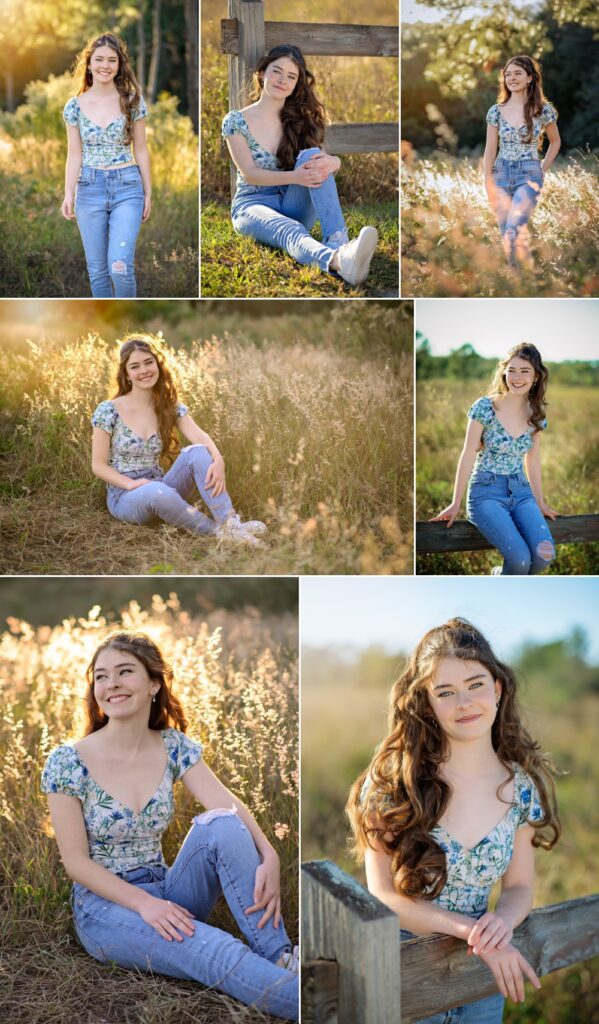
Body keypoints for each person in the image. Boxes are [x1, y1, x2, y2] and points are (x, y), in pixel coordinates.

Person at [41, 631, 298, 1020]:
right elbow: (76, 863)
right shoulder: (67, 761)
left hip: (168, 888)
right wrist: (145, 905)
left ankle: (281, 957)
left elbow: (226, 805)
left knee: (222, 825)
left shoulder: (173, 745)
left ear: (154, 684)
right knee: (219, 949)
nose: (111, 685)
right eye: (101, 676)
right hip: (106, 908)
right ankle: (320, 1003)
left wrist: (270, 854)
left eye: (125, 672)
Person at [347, 618, 560, 1024]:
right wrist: (473, 932)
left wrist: (500, 924)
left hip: (479, 979)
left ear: (497, 689)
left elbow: (519, 886)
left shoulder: (521, 787)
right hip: (405, 972)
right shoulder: (394, 783)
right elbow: (385, 897)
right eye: (446, 692)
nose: (464, 703)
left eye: (476, 684)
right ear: (427, 704)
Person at [222, 44, 379, 287]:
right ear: (261, 73)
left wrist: (333, 161)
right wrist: (295, 177)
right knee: (290, 228)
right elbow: (250, 174)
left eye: (291, 76)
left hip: (293, 200)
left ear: (296, 85)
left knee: (314, 157)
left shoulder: (299, 119)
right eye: (277, 71)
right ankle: (339, 261)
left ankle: (338, 240)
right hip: (252, 204)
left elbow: (326, 161)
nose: (282, 80)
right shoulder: (236, 120)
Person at [91, 335, 265, 546]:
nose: (144, 370)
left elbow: (200, 437)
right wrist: (132, 484)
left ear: (158, 364)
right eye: (135, 366)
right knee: (158, 492)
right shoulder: (109, 410)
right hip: (125, 496)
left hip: (160, 483)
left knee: (198, 452)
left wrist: (218, 459)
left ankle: (231, 523)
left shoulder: (167, 405)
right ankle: (220, 534)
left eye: (149, 362)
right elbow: (98, 466)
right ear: (126, 374)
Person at [430, 343, 558, 575]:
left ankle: (505, 577)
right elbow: (468, 452)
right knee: (519, 560)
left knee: (544, 555)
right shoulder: (485, 407)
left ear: (537, 376)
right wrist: (455, 502)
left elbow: (533, 459)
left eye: (525, 371)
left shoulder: (536, 413)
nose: (517, 377)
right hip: (486, 493)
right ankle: (502, 576)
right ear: (504, 372)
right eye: (512, 370)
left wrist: (539, 501)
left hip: (521, 492)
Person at [61, 33, 151, 297]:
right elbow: (74, 154)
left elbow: (142, 149)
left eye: (112, 60)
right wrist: (69, 193)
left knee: (120, 266)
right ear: (88, 64)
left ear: (120, 65)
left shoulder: (132, 101)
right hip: (88, 188)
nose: (105, 65)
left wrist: (148, 193)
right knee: (98, 271)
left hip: (127, 187)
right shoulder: (74, 106)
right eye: (99, 59)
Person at [484, 55, 560, 269]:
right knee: (504, 230)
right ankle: (516, 279)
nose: (511, 78)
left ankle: (517, 276)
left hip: (529, 174)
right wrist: (487, 180)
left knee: (513, 227)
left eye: (517, 73)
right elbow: (490, 149)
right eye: (508, 74)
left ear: (530, 78)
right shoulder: (495, 111)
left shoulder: (543, 109)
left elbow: (555, 142)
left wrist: (542, 168)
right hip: (500, 173)